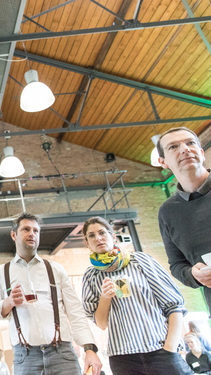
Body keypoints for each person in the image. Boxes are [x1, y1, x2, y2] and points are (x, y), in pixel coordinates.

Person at [0, 213, 102, 375]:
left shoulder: (55, 269)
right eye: (26, 229)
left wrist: (89, 348)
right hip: (25, 357)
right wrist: (8, 302)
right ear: (13, 235)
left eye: (36, 231)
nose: (32, 234)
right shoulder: (2, 272)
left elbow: (75, 311)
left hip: (61, 353)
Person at [81, 216, 191, 375]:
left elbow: (174, 306)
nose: (97, 238)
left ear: (113, 236)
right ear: (87, 243)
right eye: (91, 235)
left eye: (102, 232)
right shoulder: (91, 276)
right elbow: (102, 323)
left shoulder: (140, 261)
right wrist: (105, 297)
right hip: (122, 359)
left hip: (160, 351)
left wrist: (170, 347)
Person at [156, 127, 211, 314]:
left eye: (190, 143)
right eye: (173, 147)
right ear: (163, 162)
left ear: (201, 153)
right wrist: (194, 275)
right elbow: (177, 264)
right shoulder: (167, 212)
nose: (185, 149)